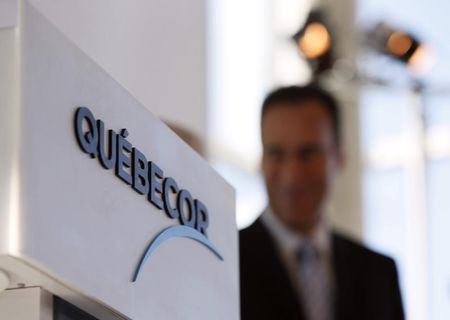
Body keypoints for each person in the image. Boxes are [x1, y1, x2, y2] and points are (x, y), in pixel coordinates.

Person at [239, 84, 404, 320]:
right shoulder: (223, 261)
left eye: (308, 154)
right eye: (276, 153)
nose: (292, 175)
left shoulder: (379, 274)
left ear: (338, 157)